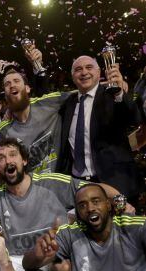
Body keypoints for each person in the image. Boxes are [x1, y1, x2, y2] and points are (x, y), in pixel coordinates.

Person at [0, 137, 126, 271]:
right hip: (17, 264)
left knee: (64, 269)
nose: (8, 161)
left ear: (24, 160)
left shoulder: (50, 182)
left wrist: (121, 200)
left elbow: (93, 189)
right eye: (1, 158)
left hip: (53, 258)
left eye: (13, 154)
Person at [57, 56, 143, 203]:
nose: (84, 72)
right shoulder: (67, 104)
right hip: (78, 185)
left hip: (115, 182)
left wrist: (119, 92)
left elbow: (133, 118)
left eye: (89, 67)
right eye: (78, 69)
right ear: (73, 77)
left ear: (99, 72)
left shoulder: (112, 94)